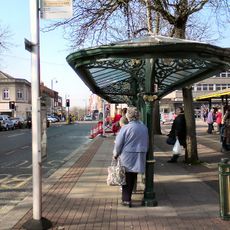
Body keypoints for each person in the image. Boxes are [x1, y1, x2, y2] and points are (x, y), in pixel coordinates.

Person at [113, 107, 149, 207]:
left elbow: (119, 144)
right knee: (133, 176)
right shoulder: (144, 127)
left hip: (128, 155)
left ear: (128, 116)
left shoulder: (126, 128)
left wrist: (115, 154)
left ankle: (126, 200)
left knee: (126, 178)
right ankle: (128, 196)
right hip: (140, 155)